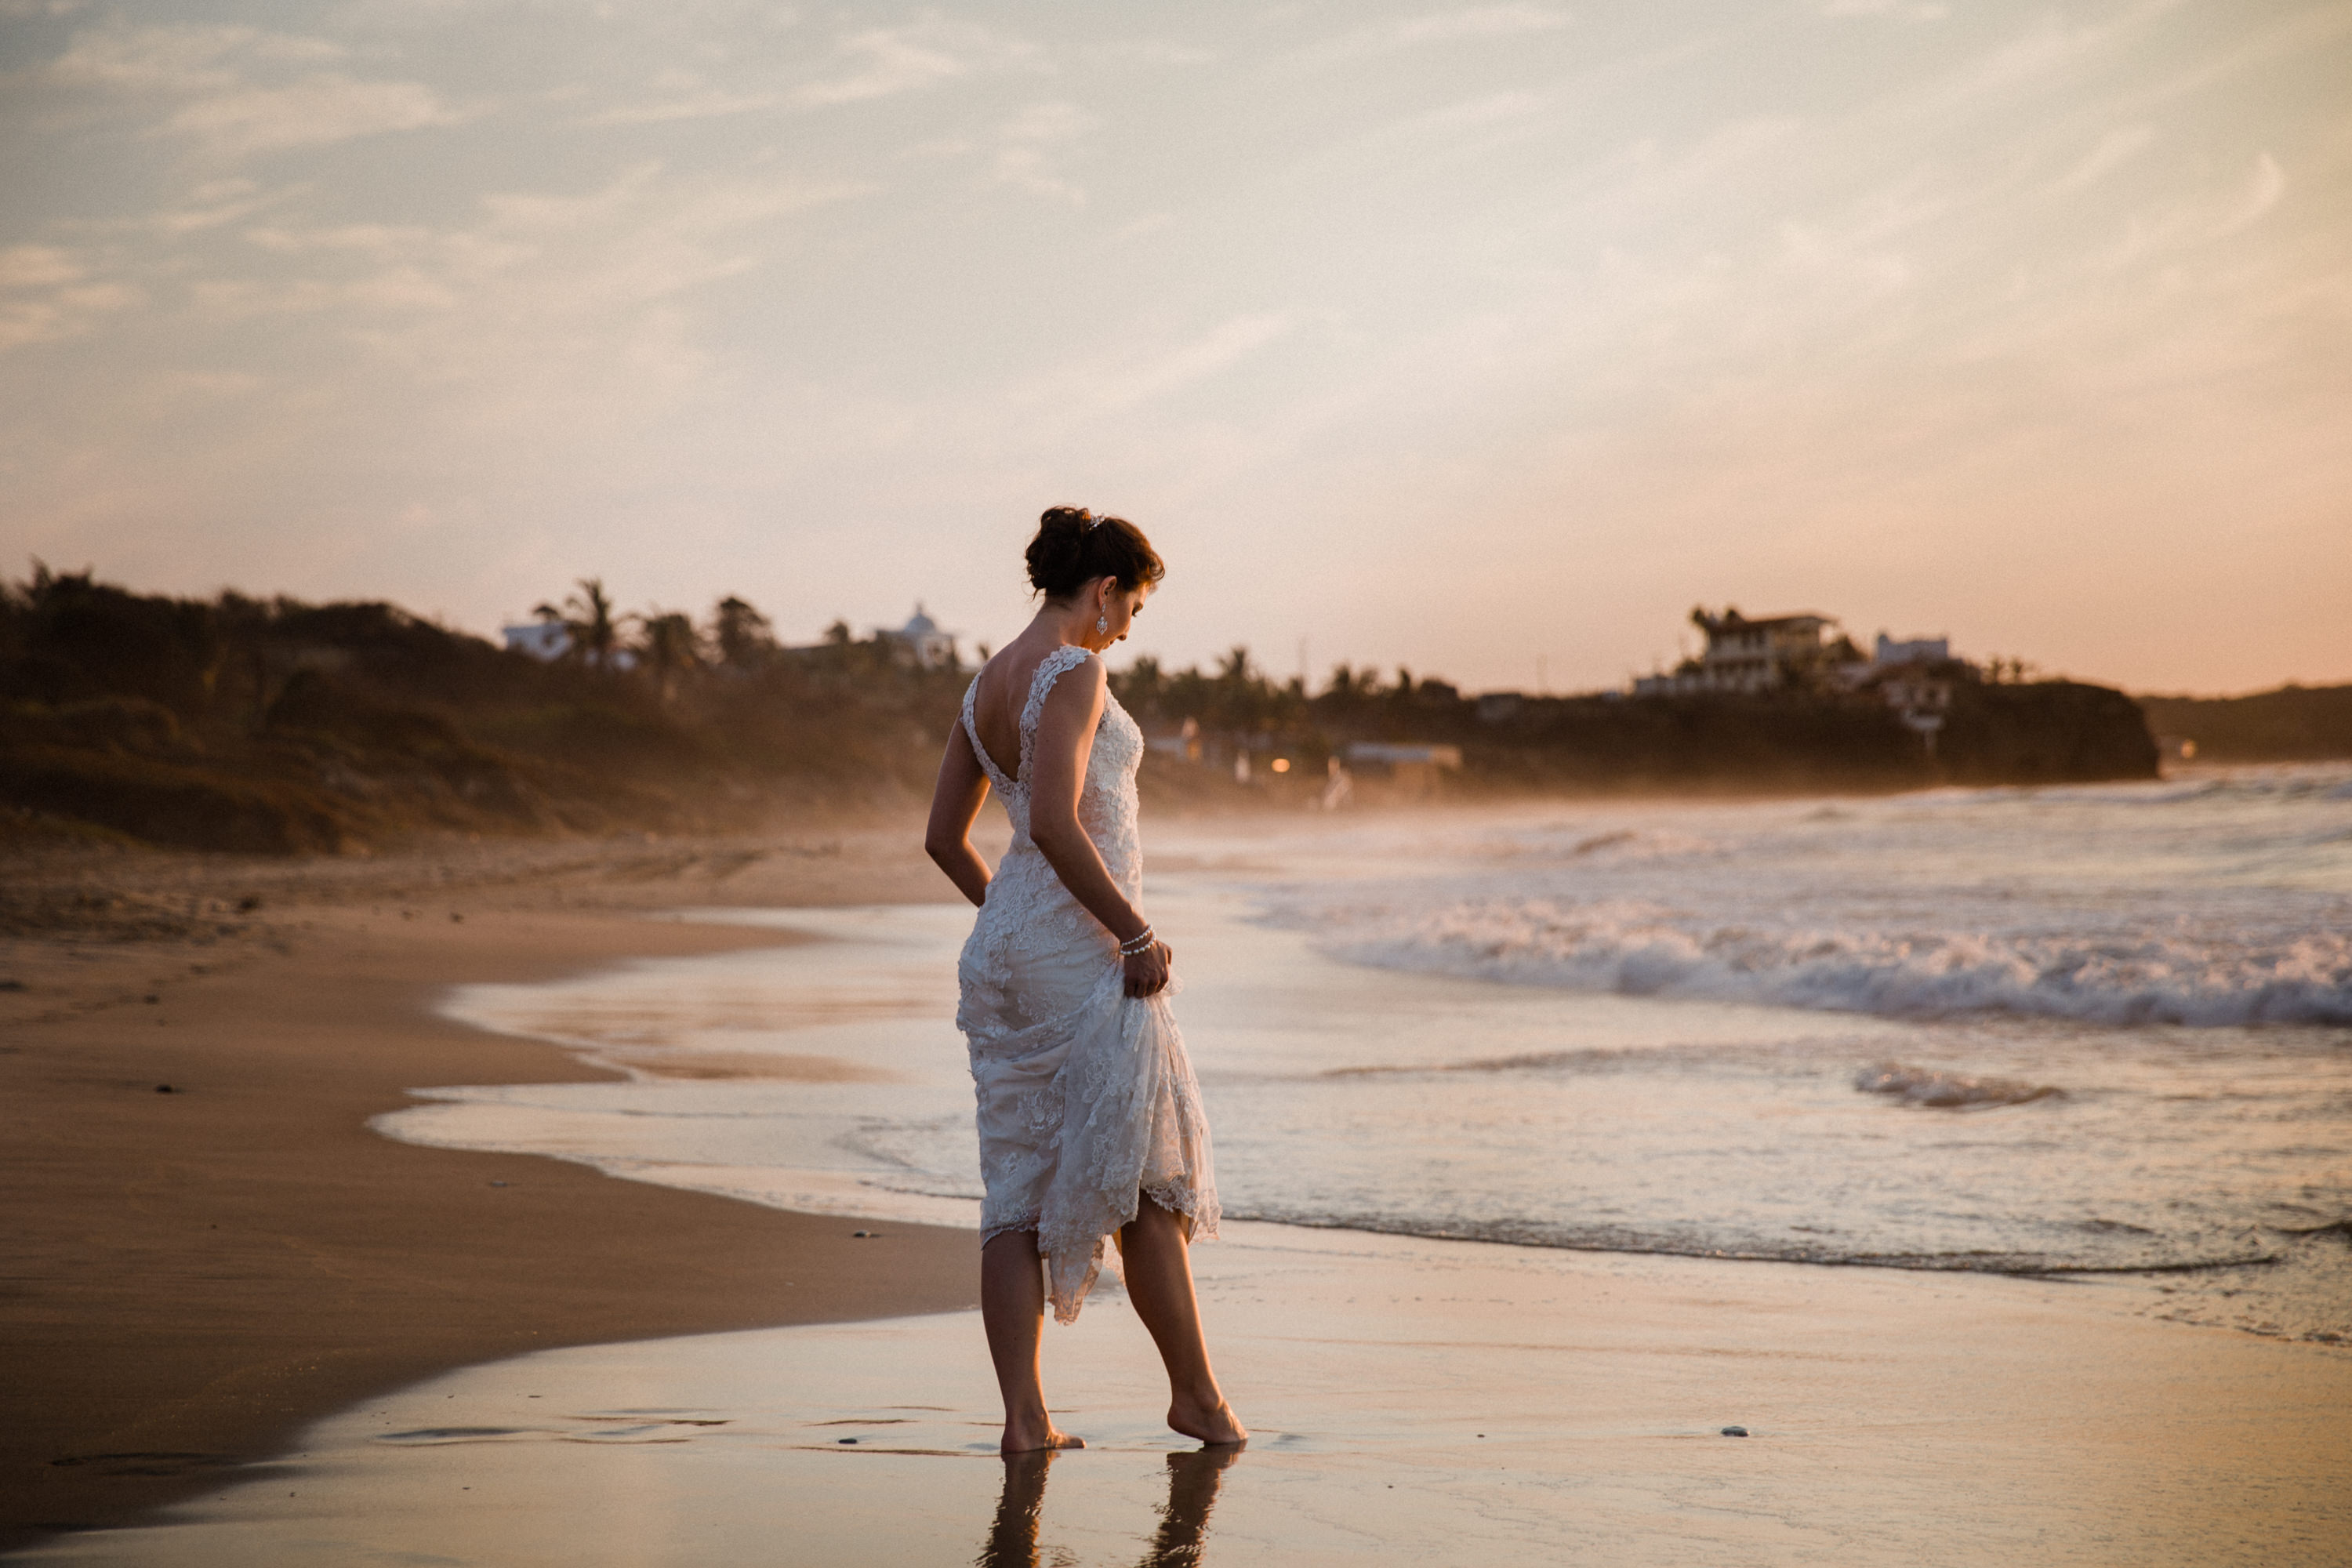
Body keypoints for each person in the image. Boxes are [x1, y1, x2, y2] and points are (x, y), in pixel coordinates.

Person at [925, 505, 1247, 1456]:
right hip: (1078, 953)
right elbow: (1059, 822)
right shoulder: (1073, 668)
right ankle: (1197, 1398)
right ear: (1102, 588)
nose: (1128, 627)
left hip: (1007, 951)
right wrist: (1135, 930)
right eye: (1132, 605)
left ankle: (1024, 1421)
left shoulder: (985, 682)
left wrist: (1007, 923)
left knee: (1015, 1191)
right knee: (1142, 1176)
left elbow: (944, 839)